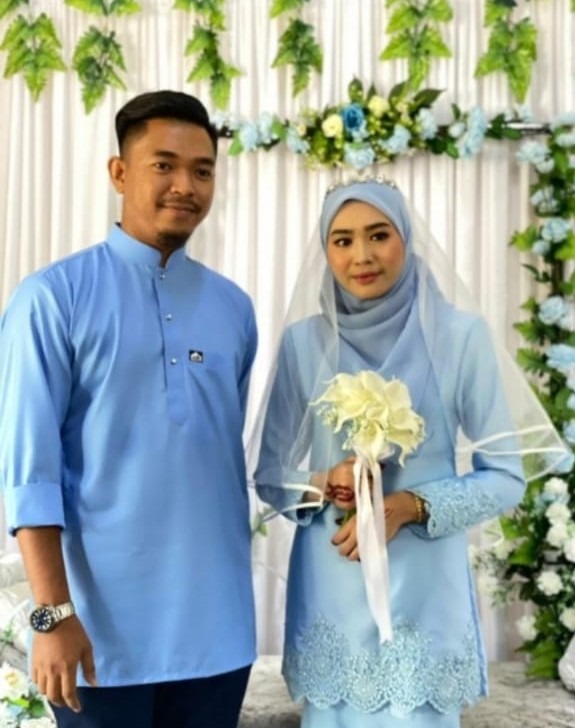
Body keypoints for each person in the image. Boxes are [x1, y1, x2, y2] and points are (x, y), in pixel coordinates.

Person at [253, 177, 565, 727]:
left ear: (406, 238)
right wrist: (326, 481)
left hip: (424, 590)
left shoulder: (460, 337)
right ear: (325, 250)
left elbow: (505, 478)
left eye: (379, 235)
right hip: (333, 584)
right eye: (342, 240)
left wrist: (410, 506)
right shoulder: (304, 343)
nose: (362, 255)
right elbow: (270, 475)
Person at [0, 90, 257, 728]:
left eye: (202, 170)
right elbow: (29, 474)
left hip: (218, 634)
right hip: (93, 638)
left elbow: (217, 459)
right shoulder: (51, 299)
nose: (185, 186)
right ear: (119, 172)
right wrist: (51, 616)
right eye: (163, 165)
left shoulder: (233, 308)